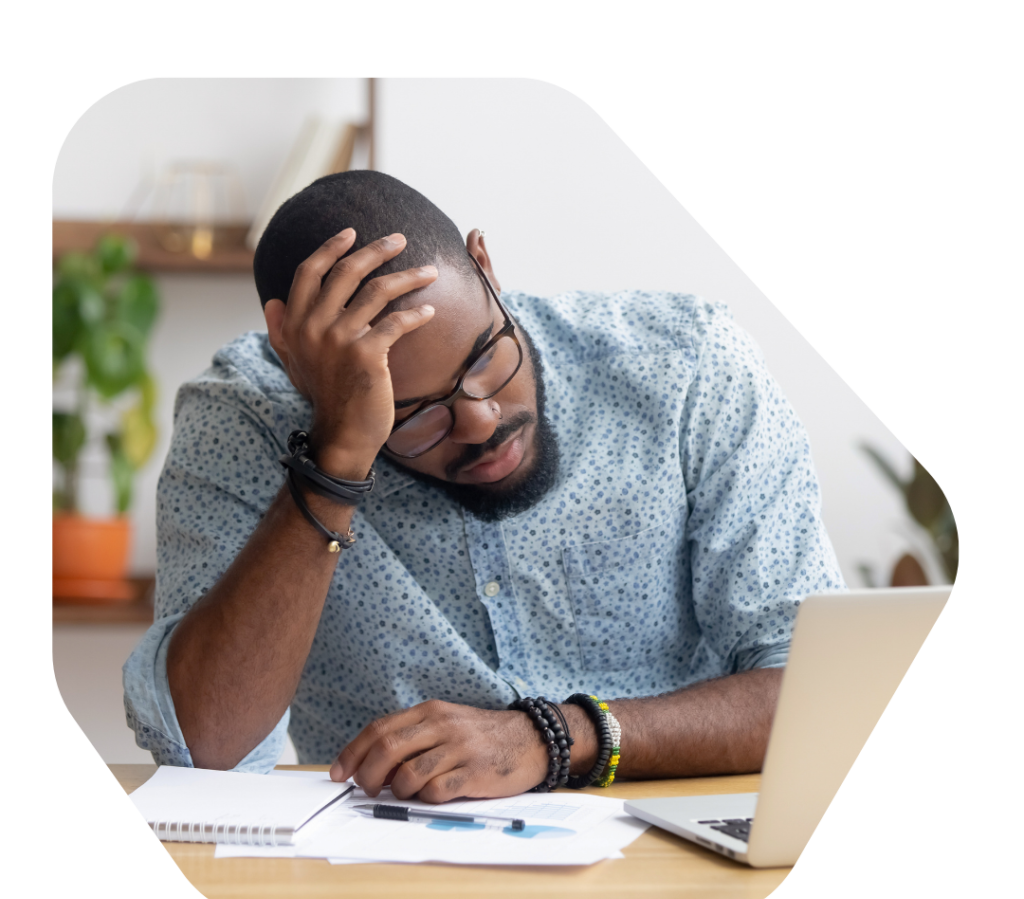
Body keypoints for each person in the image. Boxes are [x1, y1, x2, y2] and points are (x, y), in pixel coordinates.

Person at [123, 170, 845, 802]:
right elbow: (205, 749)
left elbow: (822, 693)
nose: (479, 419)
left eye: (486, 356)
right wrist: (338, 454)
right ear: (295, 365)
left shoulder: (686, 368)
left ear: (486, 266)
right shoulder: (244, 416)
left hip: (673, 863)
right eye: (411, 414)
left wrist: (555, 738)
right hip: (388, 884)